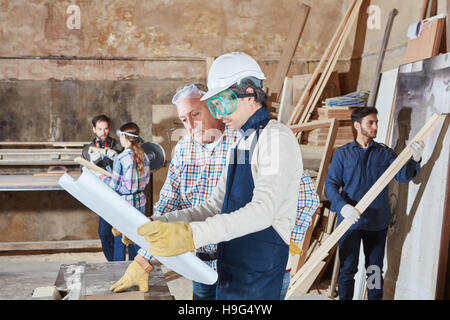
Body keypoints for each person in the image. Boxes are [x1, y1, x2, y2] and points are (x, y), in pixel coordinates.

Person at [137, 52, 304, 299]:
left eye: (221, 103)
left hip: (260, 271)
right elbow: (216, 204)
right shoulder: (242, 143)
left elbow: (263, 211)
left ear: (249, 93)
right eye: (213, 105)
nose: (218, 113)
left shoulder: (275, 138)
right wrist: (162, 223)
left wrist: (192, 235)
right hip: (234, 265)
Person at [110, 83, 241, 297]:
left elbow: (300, 194)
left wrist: (286, 241)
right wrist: (143, 259)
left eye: (195, 114)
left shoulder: (242, 142)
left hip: (240, 265)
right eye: (183, 120)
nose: (190, 125)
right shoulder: (183, 149)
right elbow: (167, 203)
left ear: (214, 106)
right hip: (201, 265)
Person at [324, 107, 425, 300]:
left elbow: (403, 176)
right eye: (370, 122)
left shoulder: (384, 153)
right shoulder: (343, 154)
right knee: (347, 269)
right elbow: (331, 185)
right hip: (349, 222)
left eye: (376, 122)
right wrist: (342, 206)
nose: (375, 126)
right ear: (357, 125)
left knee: (374, 271)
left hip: (377, 222)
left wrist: (416, 159)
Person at [100, 122, 150, 261]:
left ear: (123, 136)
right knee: (136, 238)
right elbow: (145, 181)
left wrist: (103, 178)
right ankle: (137, 267)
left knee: (120, 240)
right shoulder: (144, 156)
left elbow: (114, 186)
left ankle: (119, 269)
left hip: (124, 202)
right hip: (140, 200)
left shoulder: (121, 157)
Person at [82, 114, 123, 262]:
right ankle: (112, 262)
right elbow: (84, 171)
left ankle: (119, 264)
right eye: (99, 129)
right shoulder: (87, 150)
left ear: (109, 129)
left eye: (106, 129)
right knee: (104, 232)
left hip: (119, 193)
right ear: (94, 129)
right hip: (102, 195)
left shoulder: (118, 146)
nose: (103, 132)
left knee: (119, 231)